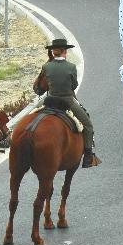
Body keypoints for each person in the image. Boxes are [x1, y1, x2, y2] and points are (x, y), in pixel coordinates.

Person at [35, 38, 101, 168]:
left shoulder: (46, 66)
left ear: (53, 52)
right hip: (68, 101)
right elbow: (74, 85)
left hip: (49, 100)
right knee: (87, 124)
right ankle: (88, 156)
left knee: (29, 116)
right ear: (64, 51)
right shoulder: (71, 67)